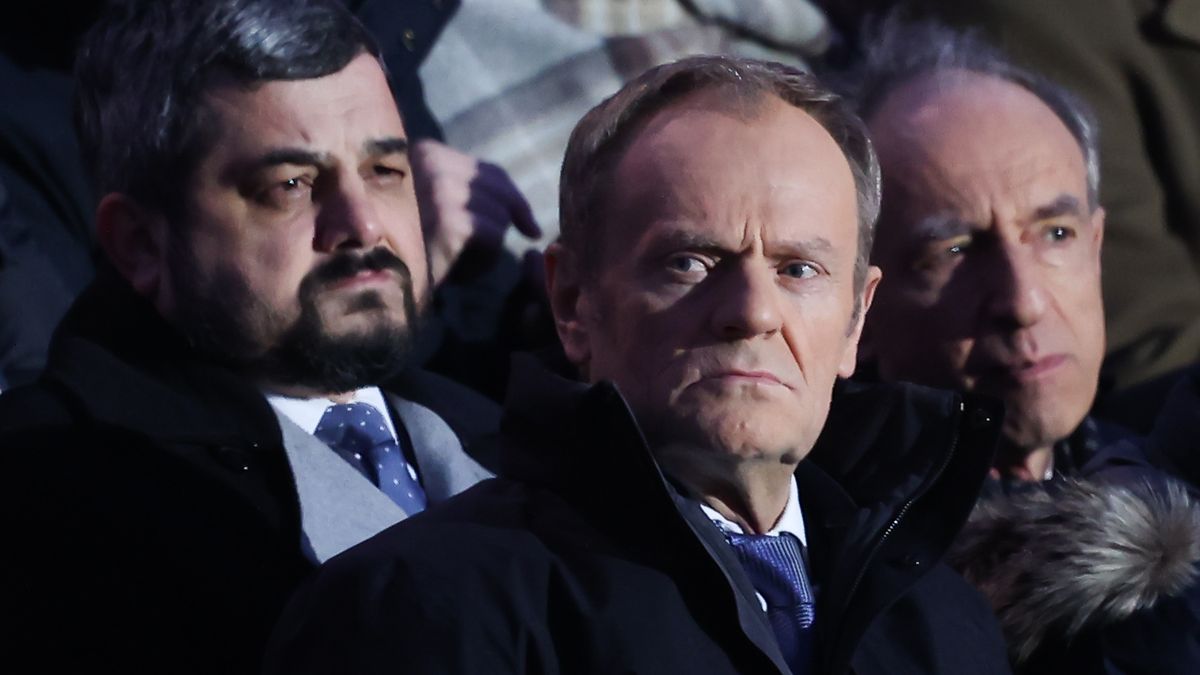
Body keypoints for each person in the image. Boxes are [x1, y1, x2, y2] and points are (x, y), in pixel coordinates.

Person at [265, 55, 1012, 675]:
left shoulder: (946, 625)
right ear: (572, 300)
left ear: (856, 318)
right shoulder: (421, 607)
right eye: (690, 261)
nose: (751, 311)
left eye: (799, 270)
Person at [0, 0, 497, 671]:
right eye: (290, 184)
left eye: (385, 171)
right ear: (140, 243)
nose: (363, 225)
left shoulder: (517, 437)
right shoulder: (47, 507)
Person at [847, 20, 1200, 672]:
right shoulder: (829, 570)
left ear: (1097, 246)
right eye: (951, 250)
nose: (1021, 299)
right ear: (859, 304)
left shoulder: (1172, 473)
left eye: (1055, 234)